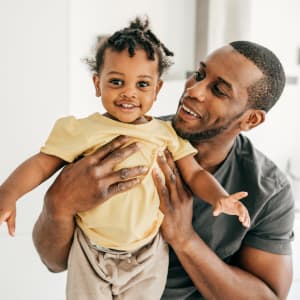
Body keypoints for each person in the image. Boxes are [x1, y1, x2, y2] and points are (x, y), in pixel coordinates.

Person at [0, 18, 249, 299]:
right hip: (90, 250)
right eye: (116, 82)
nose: (129, 92)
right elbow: (40, 164)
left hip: (148, 254)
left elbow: (194, 174)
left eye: (142, 84)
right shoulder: (80, 130)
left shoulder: (166, 134)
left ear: (157, 89)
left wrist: (219, 197)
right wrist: (8, 193)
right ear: (97, 84)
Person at [32, 39, 295, 299]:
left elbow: (268, 297)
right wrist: (58, 205)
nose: (194, 90)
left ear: (251, 119)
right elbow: (54, 263)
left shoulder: (270, 191)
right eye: (199, 74)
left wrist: (184, 238)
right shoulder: (127, 140)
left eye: (219, 90)